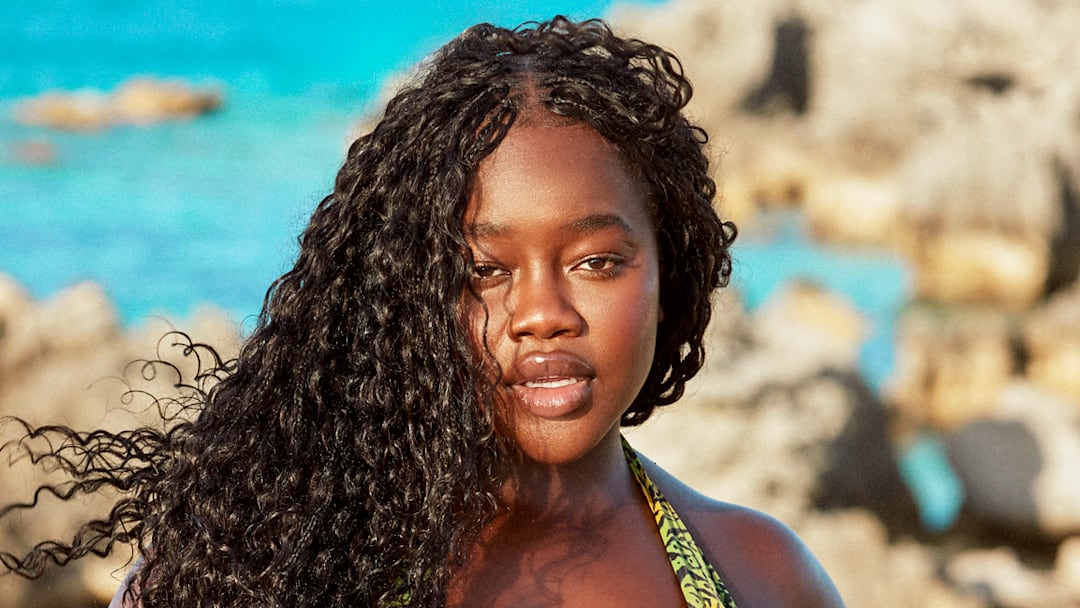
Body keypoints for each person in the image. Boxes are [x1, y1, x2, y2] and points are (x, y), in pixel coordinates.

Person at [1, 16, 844, 607]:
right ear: (407, 294)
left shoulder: (760, 577)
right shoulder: (262, 575)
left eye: (596, 262)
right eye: (480, 271)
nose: (542, 312)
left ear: (673, 270)